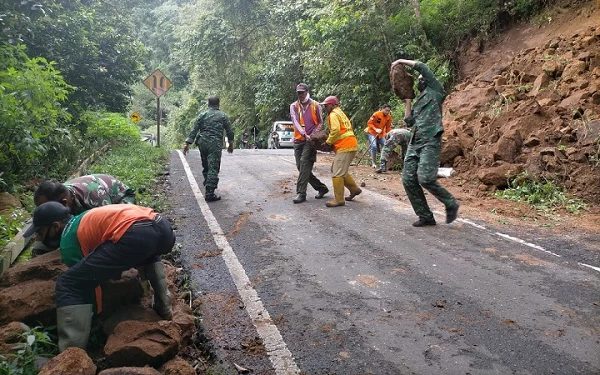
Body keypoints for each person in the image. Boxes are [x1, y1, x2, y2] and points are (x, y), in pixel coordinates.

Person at [23, 201, 176, 352]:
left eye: (40, 233)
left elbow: (88, 283)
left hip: (135, 233)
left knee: (68, 283)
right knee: (147, 251)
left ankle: (71, 352)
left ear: (55, 226)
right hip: (162, 227)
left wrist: (97, 316)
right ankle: (164, 306)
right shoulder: (82, 218)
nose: (38, 239)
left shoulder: (69, 241)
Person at [391, 58, 460, 227]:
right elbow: (409, 121)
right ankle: (425, 216)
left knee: (425, 178)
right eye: (419, 80)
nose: (420, 81)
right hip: (415, 142)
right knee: (408, 179)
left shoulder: (436, 91)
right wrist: (408, 100)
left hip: (430, 141)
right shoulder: (420, 99)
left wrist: (400, 61)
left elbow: (422, 66)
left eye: (422, 79)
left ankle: (450, 202)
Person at [31, 174, 137, 256]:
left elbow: (106, 227)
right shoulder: (58, 200)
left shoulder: (95, 201)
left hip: (120, 198)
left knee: (118, 234)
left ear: (64, 203)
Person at [183, 96, 234, 202]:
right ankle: (209, 193)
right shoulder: (223, 116)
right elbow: (229, 131)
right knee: (213, 167)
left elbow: (195, 129)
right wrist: (230, 144)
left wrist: (187, 143)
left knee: (206, 166)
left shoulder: (202, 115)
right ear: (218, 104)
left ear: (208, 104)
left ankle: (208, 186)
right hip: (214, 144)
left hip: (203, 143)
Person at [289, 83, 329, 203]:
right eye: (299, 93)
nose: (300, 95)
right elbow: (295, 121)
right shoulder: (294, 106)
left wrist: (312, 135)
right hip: (298, 139)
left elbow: (320, 122)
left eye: (302, 92)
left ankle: (301, 193)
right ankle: (321, 188)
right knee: (300, 167)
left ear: (307, 92)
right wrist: (303, 133)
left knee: (304, 163)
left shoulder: (316, 106)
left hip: (311, 141)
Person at [320, 96, 362, 207]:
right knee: (336, 169)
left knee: (337, 173)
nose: (325, 107)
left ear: (333, 105)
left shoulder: (333, 114)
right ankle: (354, 189)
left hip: (345, 145)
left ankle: (339, 200)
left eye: (326, 105)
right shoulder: (340, 113)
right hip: (350, 144)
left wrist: (328, 142)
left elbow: (335, 130)